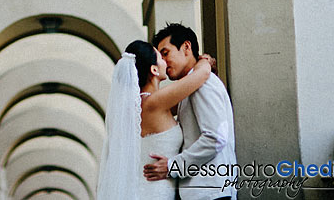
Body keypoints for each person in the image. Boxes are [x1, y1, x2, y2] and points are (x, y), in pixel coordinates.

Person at [96, 39, 213, 200]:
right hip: (154, 192)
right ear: (154, 69)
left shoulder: (142, 106)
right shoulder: (154, 102)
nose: (165, 61)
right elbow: (202, 74)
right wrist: (205, 62)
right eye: (161, 57)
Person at [144, 23, 237, 200]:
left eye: (166, 53)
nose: (163, 62)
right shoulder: (190, 85)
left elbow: (216, 138)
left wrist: (172, 166)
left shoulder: (203, 84)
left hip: (210, 193)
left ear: (186, 47)